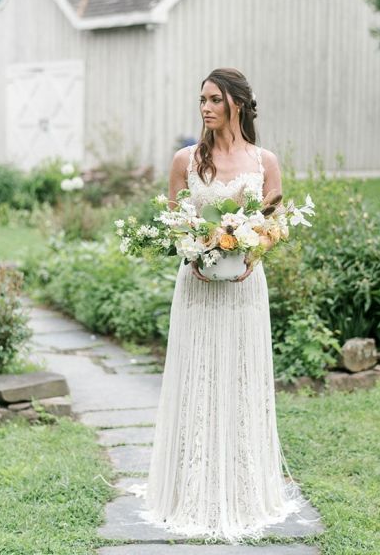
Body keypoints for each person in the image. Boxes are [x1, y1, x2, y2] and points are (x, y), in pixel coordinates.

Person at [128, 67, 310, 543]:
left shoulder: (265, 161)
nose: (205, 108)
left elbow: (272, 227)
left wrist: (251, 254)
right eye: (202, 100)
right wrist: (194, 252)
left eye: (213, 99)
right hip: (197, 288)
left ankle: (245, 489)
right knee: (198, 376)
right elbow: (173, 225)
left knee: (241, 376)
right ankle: (189, 489)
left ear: (237, 104)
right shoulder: (185, 160)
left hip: (246, 290)